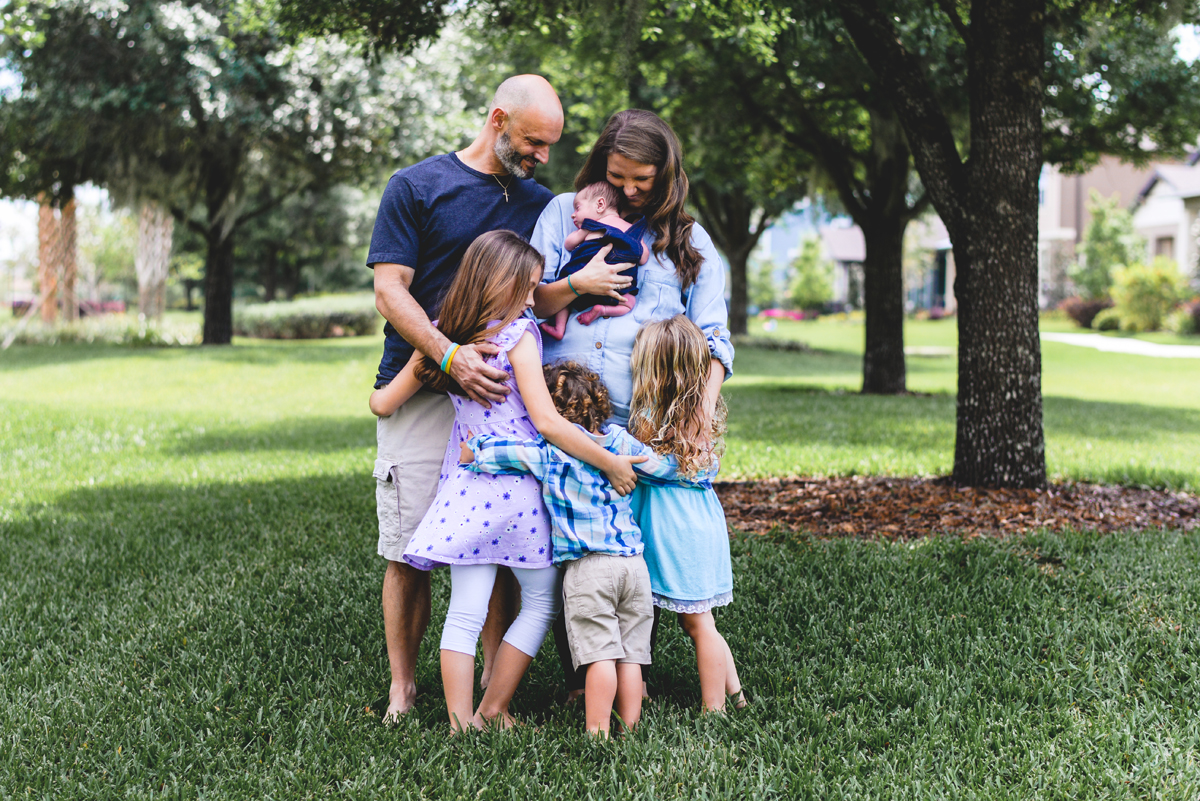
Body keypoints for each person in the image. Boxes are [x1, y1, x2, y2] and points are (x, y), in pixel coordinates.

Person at [369, 230, 646, 732]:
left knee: (463, 613)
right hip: (520, 495)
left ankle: (460, 724)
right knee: (539, 603)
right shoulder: (519, 333)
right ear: (498, 282)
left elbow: (381, 403)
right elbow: (547, 422)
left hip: (465, 494)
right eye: (525, 287)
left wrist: (434, 356)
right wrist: (609, 461)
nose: (529, 299)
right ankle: (492, 710)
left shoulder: (440, 336)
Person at [367, 74, 567, 724]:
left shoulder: (539, 204)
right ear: (497, 118)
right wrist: (448, 355)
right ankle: (403, 684)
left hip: (500, 401)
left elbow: (532, 294)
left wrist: (577, 285)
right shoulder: (417, 186)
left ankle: (489, 693)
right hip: (426, 384)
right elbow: (390, 291)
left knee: (504, 547)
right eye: (534, 142)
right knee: (409, 548)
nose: (541, 157)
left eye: (548, 146)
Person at [529, 109, 735, 701]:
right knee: (580, 542)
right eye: (617, 176)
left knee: (635, 544)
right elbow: (522, 304)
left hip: (640, 422)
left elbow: (715, 337)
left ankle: (631, 675)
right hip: (564, 411)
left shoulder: (689, 241)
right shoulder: (563, 213)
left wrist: (697, 416)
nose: (627, 190)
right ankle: (586, 676)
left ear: (667, 173)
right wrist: (577, 285)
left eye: (641, 180)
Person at [462, 361, 690, 736]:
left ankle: (597, 732)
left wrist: (473, 450)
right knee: (632, 653)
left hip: (589, 569)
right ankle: (631, 728)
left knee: (600, 654)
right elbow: (660, 467)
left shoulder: (548, 451)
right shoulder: (616, 440)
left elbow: (502, 453)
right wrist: (692, 466)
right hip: (634, 563)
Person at [626, 315, 744, 712]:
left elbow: (658, 467)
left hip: (680, 532)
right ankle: (737, 697)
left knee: (698, 624)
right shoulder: (697, 414)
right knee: (700, 620)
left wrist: (614, 447)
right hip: (697, 525)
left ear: (654, 371)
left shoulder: (655, 421)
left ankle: (716, 711)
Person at [538, 182, 649, 341]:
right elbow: (644, 256)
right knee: (629, 303)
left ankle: (559, 328)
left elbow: (569, 244)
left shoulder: (591, 225)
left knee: (564, 293)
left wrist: (578, 233)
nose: (572, 214)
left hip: (583, 272)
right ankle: (602, 309)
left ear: (600, 205)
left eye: (578, 208)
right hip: (619, 284)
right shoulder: (632, 229)